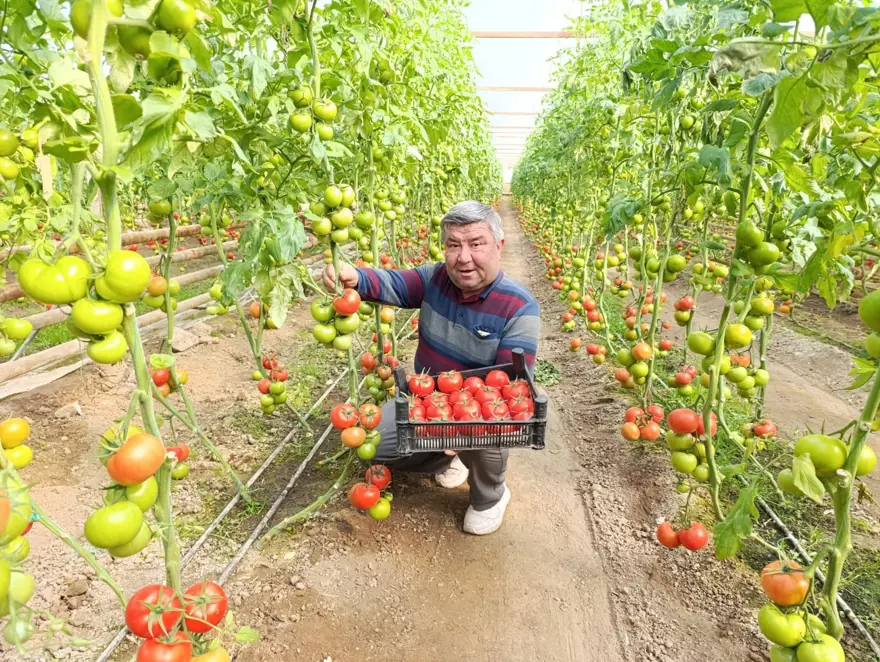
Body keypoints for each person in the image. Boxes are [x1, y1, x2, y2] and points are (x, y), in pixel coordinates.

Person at [322, 200, 540, 535]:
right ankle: (446, 456)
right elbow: (392, 284)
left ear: (498, 246)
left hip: (477, 411)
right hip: (425, 403)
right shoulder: (434, 279)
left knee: (493, 431)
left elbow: (509, 388)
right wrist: (356, 278)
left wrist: (456, 430)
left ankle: (490, 496)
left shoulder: (519, 307)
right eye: (454, 245)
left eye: (476, 244)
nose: (463, 257)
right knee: (375, 445)